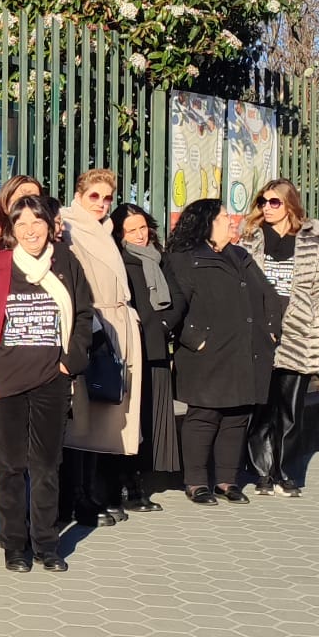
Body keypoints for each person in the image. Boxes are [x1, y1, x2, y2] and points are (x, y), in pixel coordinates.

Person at [0, 195, 93, 573]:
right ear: (12, 229)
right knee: (10, 467)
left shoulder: (66, 262)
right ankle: (15, 546)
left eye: (37, 222)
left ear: (50, 225)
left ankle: (47, 544)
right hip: (4, 383)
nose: (30, 231)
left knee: (46, 466)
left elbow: (83, 313)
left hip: (50, 379)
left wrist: (69, 363)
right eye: (22, 224)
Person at [163, 198, 283, 505]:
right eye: (224, 217)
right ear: (206, 222)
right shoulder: (184, 257)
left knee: (237, 415)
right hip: (207, 353)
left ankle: (227, 481)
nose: (232, 221)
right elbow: (175, 304)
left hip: (245, 350)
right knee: (205, 415)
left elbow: (268, 294)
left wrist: (271, 331)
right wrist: (195, 339)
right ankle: (196, 482)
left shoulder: (239, 254)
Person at [240, 179, 319, 497]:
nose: (267, 208)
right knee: (260, 408)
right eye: (263, 202)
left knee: (290, 410)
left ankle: (283, 472)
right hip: (260, 334)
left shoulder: (310, 242)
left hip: (298, 335)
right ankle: (261, 472)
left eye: (275, 202)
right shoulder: (250, 239)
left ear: (290, 205)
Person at [57, 169, 143, 527]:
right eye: (94, 196)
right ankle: (77, 499)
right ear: (79, 195)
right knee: (83, 417)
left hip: (115, 323)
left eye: (107, 197)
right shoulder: (69, 225)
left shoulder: (103, 229)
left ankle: (92, 492)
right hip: (92, 325)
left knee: (104, 414)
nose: (102, 203)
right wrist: (90, 328)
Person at [112, 204, 177, 510]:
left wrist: (165, 325)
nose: (140, 235)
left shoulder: (159, 257)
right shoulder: (119, 261)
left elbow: (177, 297)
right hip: (132, 349)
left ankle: (140, 481)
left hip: (157, 346)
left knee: (151, 419)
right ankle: (126, 486)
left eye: (143, 228)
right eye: (131, 230)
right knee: (131, 420)